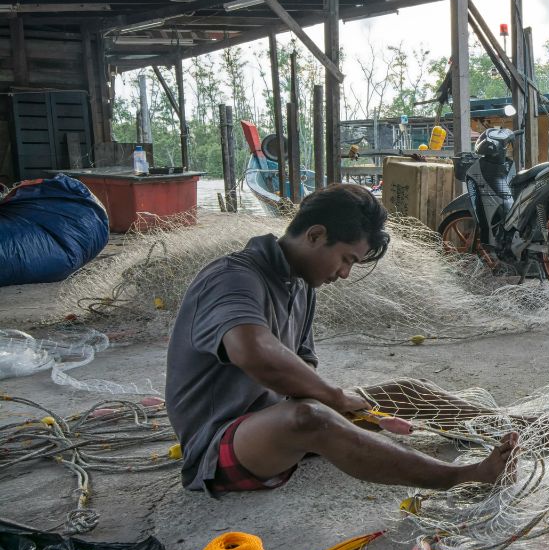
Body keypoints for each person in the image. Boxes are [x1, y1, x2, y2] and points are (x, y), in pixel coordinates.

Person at [164, 183, 516, 495]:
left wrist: (359, 411)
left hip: (272, 421)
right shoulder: (232, 277)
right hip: (221, 445)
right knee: (310, 416)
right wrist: (334, 398)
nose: (345, 274)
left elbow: (302, 368)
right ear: (315, 235)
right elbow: (251, 349)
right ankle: (460, 478)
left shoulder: (300, 285)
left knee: (404, 390)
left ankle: (517, 427)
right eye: (346, 259)